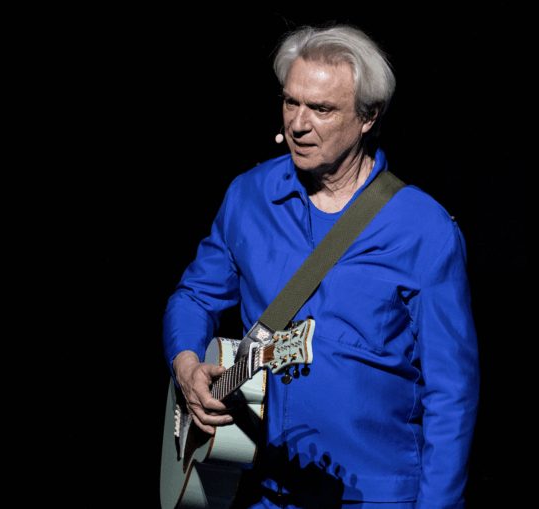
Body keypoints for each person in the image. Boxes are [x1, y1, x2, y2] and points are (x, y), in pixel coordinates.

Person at [163, 24, 479, 508]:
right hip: (260, 489)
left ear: (369, 115)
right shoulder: (249, 196)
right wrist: (186, 363)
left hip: (376, 496)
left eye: (322, 109)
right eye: (291, 102)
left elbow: (451, 395)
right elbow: (194, 296)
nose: (298, 123)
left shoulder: (424, 228)